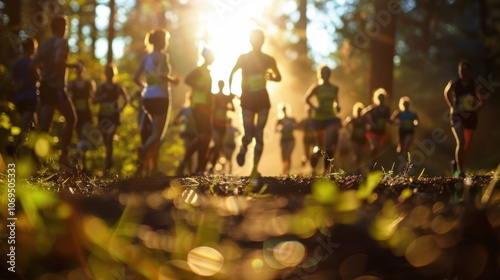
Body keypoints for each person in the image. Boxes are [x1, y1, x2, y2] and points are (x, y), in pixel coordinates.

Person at [229, 29, 282, 177]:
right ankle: (244, 148)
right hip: (247, 100)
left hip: (263, 100)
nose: (257, 42)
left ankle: (254, 169)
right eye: (255, 39)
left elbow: (279, 78)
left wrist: (271, 76)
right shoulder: (243, 58)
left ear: (262, 41)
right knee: (249, 134)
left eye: (259, 39)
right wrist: (232, 92)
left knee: (259, 134)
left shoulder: (269, 59)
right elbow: (232, 73)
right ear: (251, 41)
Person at [31, 15, 80, 168]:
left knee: (44, 127)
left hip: (45, 87)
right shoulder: (62, 42)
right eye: (65, 26)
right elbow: (59, 61)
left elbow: (32, 64)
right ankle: (63, 156)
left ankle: (34, 160)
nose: (66, 30)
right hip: (57, 89)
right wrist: (74, 66)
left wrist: (41, 77)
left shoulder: (46, 44)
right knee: (71, 118)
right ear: (61, 28)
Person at [134, 28, 179, 176]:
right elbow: (162, 75)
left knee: (153, 133)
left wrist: (145, 88)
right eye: (165, 39)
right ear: (161, 41)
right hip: (161, 97)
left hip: (147, 98)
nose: (166, 43)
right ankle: (144, 150)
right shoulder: (162, 56)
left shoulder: (146, 58)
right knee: (157, 135)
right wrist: (174, 80)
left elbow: (136, 77)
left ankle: (152, 168)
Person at [176, 48, 215, 175]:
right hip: (198, 106)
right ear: (206, 57)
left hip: (206, 108)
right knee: (203, 136)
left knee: (206, 138)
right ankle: (185, 162)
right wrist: (198, 86)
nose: (213, 59)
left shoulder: (208, 72)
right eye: (212, 57)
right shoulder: (199, 70)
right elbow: (187, 79)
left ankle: (200, 168)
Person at [444, 60, 483, 177]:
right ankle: (460, 172)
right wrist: (452, 106)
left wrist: (477, 108)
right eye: (460, 70)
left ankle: (455, 164)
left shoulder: (474, 84)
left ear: (469, 71)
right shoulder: (454, 83)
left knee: (465, 146)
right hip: (457, 116)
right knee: (461, 141)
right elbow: (446, 92)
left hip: (470, 117)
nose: (462, 72)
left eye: (465, 70)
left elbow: (483, 98)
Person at [93, 64, 129, 176]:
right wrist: (101, 98)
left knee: (109, 140)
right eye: (108, 73)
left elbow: (126, 99)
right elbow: (93, 101)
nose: (109, 75)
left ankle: (106, 168)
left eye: (111, 73)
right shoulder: (101, 87)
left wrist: (120, 108)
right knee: (106, 141)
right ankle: (109, 162)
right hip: (103, 117)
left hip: (113, 117)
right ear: (105, 74)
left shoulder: (117, 87)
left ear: (114, 74)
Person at [305, 65, 341, 174]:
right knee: (321, 149)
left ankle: (326, 172)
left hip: (331, 118)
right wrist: (315, 108)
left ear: (330, 74)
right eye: (323, 73)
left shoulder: (335, 88)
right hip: (319, 119)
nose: (325, 75)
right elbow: (306, 99)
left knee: (330, 146)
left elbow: (336, 102)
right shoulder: (316, 88)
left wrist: (337, 107)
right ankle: (315, 157)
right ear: (320, 74)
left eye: (327, 73)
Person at [8, 38, 39, 159]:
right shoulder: (31, 62)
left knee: (34, 127)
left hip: (19, 99)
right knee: (26, 125)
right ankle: (13, 146)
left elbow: (11, 81)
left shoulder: (16, 63)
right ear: (33, 49)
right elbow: (38, 78)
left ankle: (35, 159)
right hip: (30, 98)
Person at [68, 62, 96, 172]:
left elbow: (93, 98)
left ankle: (81, 165)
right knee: (80, 139)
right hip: (76, 115)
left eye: (81, 69)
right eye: (77, 69)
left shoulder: (88, 84)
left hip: (86, 114)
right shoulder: (71, 84)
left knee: (83, 137)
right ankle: (81, 166)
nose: (79, 72)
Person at [207, 80, 235, 173]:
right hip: (215, 124)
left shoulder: (227, 97)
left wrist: (227, 105)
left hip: (223, 124)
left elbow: (233, 108)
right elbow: (212, 110)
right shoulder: (215, 96)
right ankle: (208, 160)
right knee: (217, 144)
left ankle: (211, 166)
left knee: (219, 145)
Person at [363, 88, 391, 169]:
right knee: (374, 146)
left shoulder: (386, 108)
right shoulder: (373, 108)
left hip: (382, 132)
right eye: (379, 97)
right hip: (372, 131)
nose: (381, 99)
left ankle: (374, 164)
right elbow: (364, 113)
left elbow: (388, 119)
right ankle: (371, 162)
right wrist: (371, 122)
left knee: (377, 148)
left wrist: (387, 121)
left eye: (382, 97)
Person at [173, 91, 197, 174]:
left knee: (191, 152)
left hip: (195, 134)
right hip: (186, 132)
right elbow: (174, 122)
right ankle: (188, 170)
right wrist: (182, 121)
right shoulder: (184, 109)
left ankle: (190, 171)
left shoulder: (197, 110)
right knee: (188, 150)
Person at [390, 96, 418, 168]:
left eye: (407, 104)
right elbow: (391, 121)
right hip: (401, 132)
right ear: (402, 105)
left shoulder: (412, 114)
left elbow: (417, 121)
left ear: (409, 105)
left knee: (405, 147)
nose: (406, 106)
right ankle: (402, 163)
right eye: (404, 104)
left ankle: (404, 164)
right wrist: (397, 123)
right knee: (401, 149)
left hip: (409, 132)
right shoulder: (399, 113)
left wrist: (415, 124)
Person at [343, 102, 369, 172]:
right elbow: (345, 124)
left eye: (360, 111)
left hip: (362, 138)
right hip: (354, 138)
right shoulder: (353, 119)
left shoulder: (364, 119)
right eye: (358, 111)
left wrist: (366, 131)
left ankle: (359, 168)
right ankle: (357, 168)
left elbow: (369, 124)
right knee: (357, 153)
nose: (359, 112)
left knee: (361, 154)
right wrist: (349, 132)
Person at [275, 104, 297, 175]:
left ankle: (287, 171)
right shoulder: (279, 120)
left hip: (291, 139)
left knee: (288, 155)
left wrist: (292, 126)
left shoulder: (292, 119)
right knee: (283, 156)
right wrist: (281, 128)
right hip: (283, 140)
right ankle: (285, 169)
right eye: (283, 109)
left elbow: (298, 126)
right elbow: (276, 129)